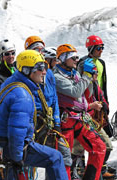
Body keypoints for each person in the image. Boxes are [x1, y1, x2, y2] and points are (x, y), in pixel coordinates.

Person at [0, 50, 68, 180]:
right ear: (27, 70)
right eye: (40, 68)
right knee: (55, 158)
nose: (44, 72)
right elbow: (16, 132)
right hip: (11, 148)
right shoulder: (23, 96)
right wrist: (17, 158)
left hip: (2, 146)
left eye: (44, 67)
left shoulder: (12, 82)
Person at [53, 44, 106, 180]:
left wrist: (90, 80)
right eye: (73, 57)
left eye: (77, 57)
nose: (76, 60)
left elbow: (81, 96)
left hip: (78, 119)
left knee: (99, 147)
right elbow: (75, 91)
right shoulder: (57, 77)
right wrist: (86, 76)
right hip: (66, 123)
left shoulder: (74, 73)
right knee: (65, 160)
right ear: (63, 59)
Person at [24, 36, 72, 179]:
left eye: (41, 49)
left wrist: (56, 122)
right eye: (36, 49)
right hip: (34, 125)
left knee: (63, 155)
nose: (40, 52)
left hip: (49, 123)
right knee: (29, 163)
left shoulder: (49, 72)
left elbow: (54, 99)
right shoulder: (26, 75)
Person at [71, 65, 116, 180]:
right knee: (79, 148)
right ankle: (81, 172)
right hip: (83, 120)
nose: (96, 74)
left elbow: (100, 96)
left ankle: (97, 171)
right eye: (94, 72)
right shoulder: (83, 86)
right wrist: (93, 106)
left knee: (106, 146)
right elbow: (78, 104)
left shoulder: (95, 85)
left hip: (91, 120)